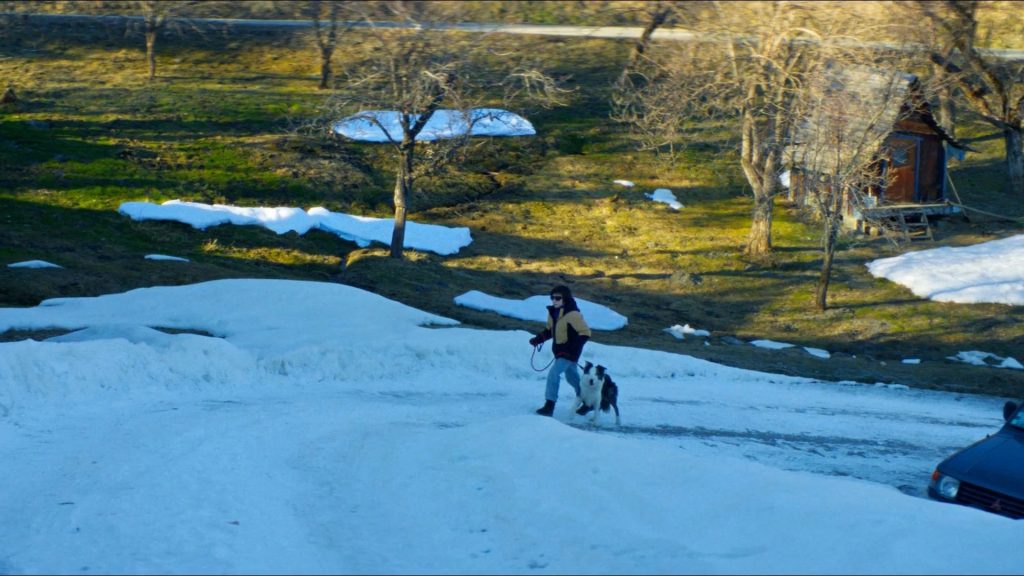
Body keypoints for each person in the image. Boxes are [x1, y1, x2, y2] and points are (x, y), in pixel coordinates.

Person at [528, 285, 592, 416]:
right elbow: (550, 331)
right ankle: (588, 402)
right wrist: (538, 339)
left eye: (557, 298)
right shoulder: (553, 313)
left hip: (569, 353)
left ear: (565, 298)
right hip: (560, 352)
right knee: (572, 377)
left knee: (553, 374)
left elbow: (585, 333)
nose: (554, 301)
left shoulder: (573, 314)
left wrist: (571, 349)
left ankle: (549, 405)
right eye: (552, 298)